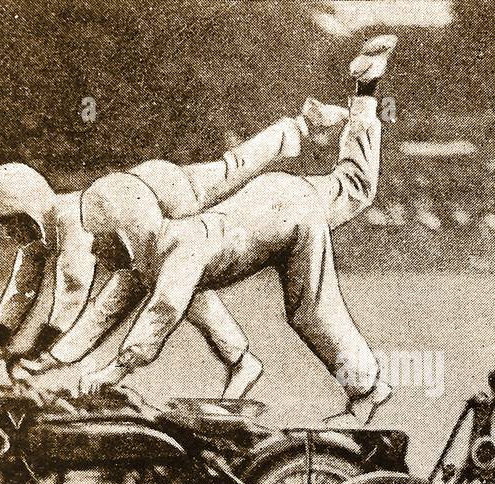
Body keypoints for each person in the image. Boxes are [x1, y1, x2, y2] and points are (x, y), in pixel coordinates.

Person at [28, 34, 399, 424]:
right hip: (270, 198)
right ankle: (366, 90)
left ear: (128, 233)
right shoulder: (147, 255)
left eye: (101, 240)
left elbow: (163, 312)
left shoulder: (178, 254)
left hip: (288, 217)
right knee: (355, 186)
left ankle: (368, 393)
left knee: (308, 308)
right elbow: (104, 312)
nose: (94, 251)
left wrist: (114, 370)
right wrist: (51, 361)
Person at [0, 98, 347, 398]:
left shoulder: (76, 224)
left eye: (14, 223)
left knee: (221, 193)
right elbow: (22, 289)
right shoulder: (39, 236)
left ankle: (301, 126)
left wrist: (42, 355)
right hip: (147, 196)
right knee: (184, 277)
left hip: (171, 191)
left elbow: (73, 297)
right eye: (5, 226)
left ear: (33, 208)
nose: (11, 233)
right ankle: (242, 360)